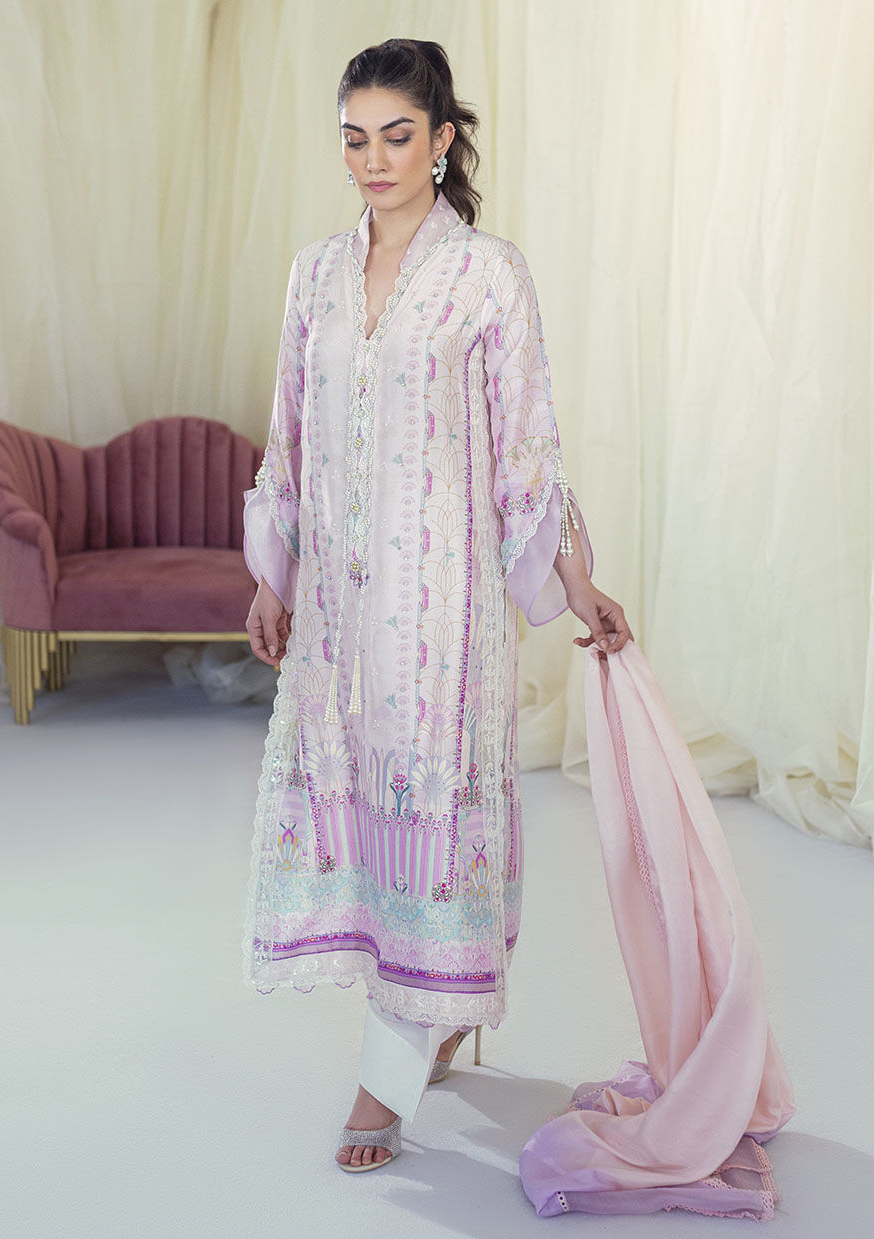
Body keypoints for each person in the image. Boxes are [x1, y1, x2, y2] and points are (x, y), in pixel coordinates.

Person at [242, 38, 633, 1173]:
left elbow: (529, 450)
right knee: (360, 815)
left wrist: (575, 574)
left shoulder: (489, 276)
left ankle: (388, 1071)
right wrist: (273, 572)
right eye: (355, 138)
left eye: (397, 136)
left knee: (431, 823)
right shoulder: (315, 273)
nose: (373, 159)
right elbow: (289, 431)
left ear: (442, 140)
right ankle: (436, 1013)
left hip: (439, 614)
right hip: (338, 617)